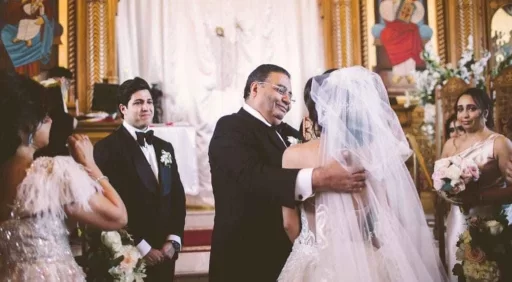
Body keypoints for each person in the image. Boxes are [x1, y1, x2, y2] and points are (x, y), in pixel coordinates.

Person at [278, 67, 447, 281]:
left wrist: (309, 254)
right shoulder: (371, 155)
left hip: (314, 261)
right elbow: (381, 219)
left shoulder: (293, 155)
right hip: (367, 260)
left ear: (315, 111)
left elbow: (288, 223)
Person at [208, 64, 367, 282]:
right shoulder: (230, 127)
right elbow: (251, 176)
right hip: (246, 254)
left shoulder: (290, 133)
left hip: (288, 255)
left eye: (290, 95)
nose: (286, 99)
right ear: (255, 89)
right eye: (281, 90)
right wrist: (319, 177)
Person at [0, 71, 127, 280]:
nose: (50, 119)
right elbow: (118, 216)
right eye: (43, 116)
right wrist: (90, 163)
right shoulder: (49, 173)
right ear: (24, 126)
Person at [94, 77, 186, 282]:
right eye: (138, 103)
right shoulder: (107, 149)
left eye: (149, 102)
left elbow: (177, 197)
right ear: (123, 109)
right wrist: (143, 247)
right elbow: (110, 202)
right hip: (130, 255)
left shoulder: (165, 147)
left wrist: (174, 240)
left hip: (166, 252)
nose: (146, 107)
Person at [437, 88, 512, 281]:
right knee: (458, 272)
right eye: (460, 109)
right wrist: (449, 191)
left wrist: (478, 197)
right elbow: (439, 182)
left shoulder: (499, 143)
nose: (464, 115)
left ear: (485, 112)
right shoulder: (450, 145)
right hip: (458, 220)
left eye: (471, 108)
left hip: (491, 223)